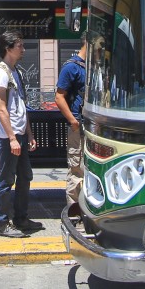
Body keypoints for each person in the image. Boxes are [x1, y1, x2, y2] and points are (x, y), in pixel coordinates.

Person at [0, 30, 39, 238]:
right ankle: (2, 223)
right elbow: (1, 107)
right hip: (6, 136)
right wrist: (11, 137)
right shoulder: (0, 73)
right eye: (19, 45)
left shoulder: (15, 71)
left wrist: (28, 134)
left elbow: (21, 104)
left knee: (25, 175)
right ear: (8, 48)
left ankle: (21, 217)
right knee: (6, 179)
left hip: (19, 133)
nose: (23, 49)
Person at [54, 40, 88, 224]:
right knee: (76, 169)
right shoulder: (71, 68)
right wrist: (73, 121)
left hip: (92, 126)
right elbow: (59, 97)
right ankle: (74, 211)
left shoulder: (96, 67)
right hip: (78, 126)